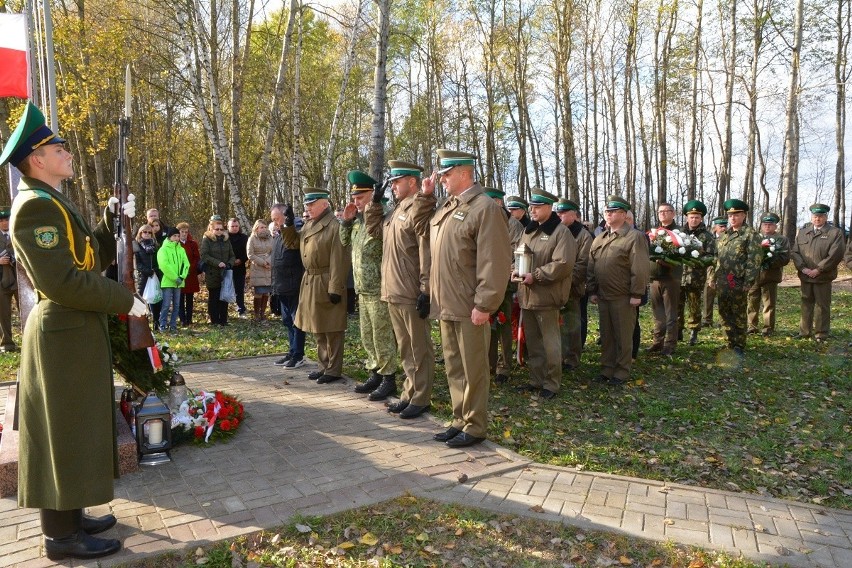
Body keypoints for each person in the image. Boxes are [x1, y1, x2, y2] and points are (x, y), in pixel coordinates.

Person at [2, 101, 146, 561]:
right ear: (37, 159)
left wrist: (108, 218)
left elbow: (89, 259)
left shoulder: (52, 202)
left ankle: (72, 514)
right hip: (61, 331)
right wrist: (124, 299)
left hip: (74, 331)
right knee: (61, 435)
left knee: (75, 429)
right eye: (56, 146)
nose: (66, 151)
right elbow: (61, 281)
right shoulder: (33, 209)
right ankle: (59, 539)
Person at [426, 149, 511, 447]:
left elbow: (494, 261)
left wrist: (484, 304)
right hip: (447, 302)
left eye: (447, 174)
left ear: (464, 173)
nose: (443, 180)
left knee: (474, 367)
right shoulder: (448, 207)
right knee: (454, 366)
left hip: (469, 304)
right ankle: (460, 418)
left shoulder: (484, 208)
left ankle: (475, 426)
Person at [365, 160, 437, 415]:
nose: (392, 186)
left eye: (397, 181)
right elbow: (374, 230)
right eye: (392, 182)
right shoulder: (396, 210)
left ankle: (421, 397)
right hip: (393, 288)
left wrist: (426, 289)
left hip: (410, 289)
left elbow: (426, 251)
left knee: (419, 347)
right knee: (405, 347)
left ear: (412, 181)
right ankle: (409, 392)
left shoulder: (419, 207)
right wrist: (374, 204)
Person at [341, 171, 400, 401]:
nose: (355, 201)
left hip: (379, 287)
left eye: (360, 197)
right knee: (367, 335)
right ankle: (374, 372)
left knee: (382, 335)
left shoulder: (383, 217)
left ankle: (389, 378)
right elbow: (344, 242)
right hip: (362, 287)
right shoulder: (357, 221)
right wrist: (346, 221)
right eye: (354, 197)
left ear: (371, 194)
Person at [281, 188, 350, 383]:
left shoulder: (335, 226)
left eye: (312, 204)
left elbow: (340, 259)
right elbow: (293, 243)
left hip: (327, 279)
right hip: (310, 280)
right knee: (318, 327)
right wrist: (287, 224)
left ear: (324, 204)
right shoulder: (310, 224)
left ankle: (333, 369)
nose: (308, 207)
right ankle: (323, 365)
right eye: (306, 204)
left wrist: (335, 287)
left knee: (332, 329)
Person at [512, 188, 575, 399]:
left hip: (547, 296)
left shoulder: (561, 232)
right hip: (527, 295)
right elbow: (520, 255)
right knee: (534, 342)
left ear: (549, 208)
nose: (533, 210)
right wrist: (516, 270)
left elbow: (562, 264)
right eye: (531, 206)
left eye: (537, 207)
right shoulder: (528, 231)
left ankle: (552, 384)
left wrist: (536, 275)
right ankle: (536, 380)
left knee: (550, 343)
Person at [587, 196, 649, 385]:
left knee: (623, 335)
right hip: (604, 294)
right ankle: (607, 369)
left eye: (613, 211)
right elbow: (592, 265)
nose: (608, 214)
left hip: (623, 296)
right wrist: (592, 290)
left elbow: (639, 267)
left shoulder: (633, 237)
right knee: (607, 335)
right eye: (607, 211)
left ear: (623, 214)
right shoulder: (600, 238)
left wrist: (637, 294)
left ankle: (621, 371)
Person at [708, 199, 763, 356]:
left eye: (736, 214)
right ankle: (729, 341)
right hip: (722, 280)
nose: (733, 218)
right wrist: (712, 277)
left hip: (738, 280)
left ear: (744, 215)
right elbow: (715, 258)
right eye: (730, 215)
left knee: (737, 312)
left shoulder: (750, 235)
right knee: (724, 312)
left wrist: (748, 281)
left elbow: (754, 260)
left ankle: (739, 344)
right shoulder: (724, 235)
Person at [789, 203, 846, 342]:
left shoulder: (834, 233)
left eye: (820, 216)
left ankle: (821, 334)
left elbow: (835, 254)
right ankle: (804, 332)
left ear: (826, 217)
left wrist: (819, 269)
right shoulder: (803, 232)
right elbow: (795, 252)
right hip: (805, 275)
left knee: (822, 305)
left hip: (823, 277)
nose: (817, 219)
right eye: (815, 216)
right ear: (811, 217)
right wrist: (803, 268)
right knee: (806, 303)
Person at [484, 187, 520, 385]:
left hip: (504, 284)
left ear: (498, 202)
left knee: (504, 325)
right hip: (485, 282)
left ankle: (504, 366)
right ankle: (489, 363)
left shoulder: (512, 223)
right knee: (488, 325)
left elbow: (517, 253)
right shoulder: (485, 220)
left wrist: (505, 272)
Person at [556, 198, 591, 371]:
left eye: (563, 212)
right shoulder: (557, 231)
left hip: (572, 287)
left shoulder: (583, 235)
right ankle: (560, 356)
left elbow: (583, 264)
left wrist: (565, 282)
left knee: (572, 324)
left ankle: (572, 359)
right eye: (558, 212)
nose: (559, 215)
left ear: (574, 215)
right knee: (559, 324)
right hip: (554, 287)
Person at [270, 204, 306, 368]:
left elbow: (295, 246)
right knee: (287, 320)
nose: (275, 223)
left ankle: (298, 354)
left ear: (285, 217)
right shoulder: (277, 234)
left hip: (294, 285)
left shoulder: (296, 230)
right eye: (273, 220)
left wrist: (289, 225)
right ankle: (292, 351)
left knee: (296, 321)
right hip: (281, 285)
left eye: (277, 219)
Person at [678, 200, 715, 345]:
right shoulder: (679, 234)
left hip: (696, 276)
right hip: (679, 275)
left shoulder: (707, 236)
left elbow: (712, 256)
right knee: (677, 305)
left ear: (701, 218)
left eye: (697, 217)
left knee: (694, 305)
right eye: (691, 216)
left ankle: (694, 331)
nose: (694, 219)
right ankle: (678, 330)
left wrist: (699, 258)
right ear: (687, 217)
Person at [746, 212, 790, 336]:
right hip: (754, 276)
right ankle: (752, 326)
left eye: (770, 224)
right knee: (752, 301)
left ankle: (768, 328)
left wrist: (769, 261)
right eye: (765, 224)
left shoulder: (781, 239)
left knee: (769, 303)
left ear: (775, 226)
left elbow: (785, 258)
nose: (767, 227)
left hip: (770, 276)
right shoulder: (755, 238)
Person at [648, 201, 682, 356]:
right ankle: (657, 342)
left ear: (673, 213)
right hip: (655, 278)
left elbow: (682, 255)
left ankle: (670, 344)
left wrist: (667, 262)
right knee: (658, 313)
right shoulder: (654, 232)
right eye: (660, 211)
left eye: (666, 211)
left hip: (671, 278)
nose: (662, 213)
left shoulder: (679, 233)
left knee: (670, 313)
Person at [200, 215, 236, 326]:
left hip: (225, 273)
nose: (219, 231)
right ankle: (214, 320)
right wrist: (217, 263)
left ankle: (223, 320)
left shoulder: (226, 240)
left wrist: (229, 264)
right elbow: (204, 255)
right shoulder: (207, 240)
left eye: (221, 229)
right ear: (211, 229)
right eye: (217, 229)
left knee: (224, 297)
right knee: (214, 297)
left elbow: (232, 255)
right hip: (212, 272)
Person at [157, 227, 190, 332]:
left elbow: (186, 264)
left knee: (177, 305)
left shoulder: (181, 249)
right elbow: (164, 265)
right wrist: (175, 277)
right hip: (168, 282)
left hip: (179, 282)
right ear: (169, 237)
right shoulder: (163, 249)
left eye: (178, 236)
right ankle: (162, 324)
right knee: (166, 304)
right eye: (174, 236)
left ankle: (173, 325)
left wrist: (182, 276)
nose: (176, 238)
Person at [133, 223, 162, 329]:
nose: (147, 234)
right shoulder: (137, 246)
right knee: (141, 300)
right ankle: (142, 323)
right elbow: (138, 264)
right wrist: (148, 271)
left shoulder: (156, 245)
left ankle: (156, 322)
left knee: (156, 300)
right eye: (144, 232)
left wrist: (156, 270)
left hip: (155, 275)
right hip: (143, 277)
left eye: (149, 232)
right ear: (140, 233)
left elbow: (159, 260)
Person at [702, 216, 727, 327]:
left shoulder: (729, 239)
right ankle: (707, 320)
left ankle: (723, 320)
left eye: (725, 226)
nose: (723, 228)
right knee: (708, 295)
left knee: (723, 296)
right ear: (715, 227)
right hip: (711, 270)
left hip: (725, 271)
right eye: (721, 226)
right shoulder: (710, 239)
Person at [247, 219, 274, 322]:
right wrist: (263, 262)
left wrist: (268, 261)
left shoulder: (270, 238)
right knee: (259, 292)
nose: (263, 229)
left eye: (265, 227)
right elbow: (250, 254)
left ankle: (263, 313)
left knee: (266, 293)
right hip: (258, 268)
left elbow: (274, 251)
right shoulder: (252, 239)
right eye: (261, 227)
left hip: (269, 268)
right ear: (256, 228)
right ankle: (256, 314)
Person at [0, 208, 19, 352]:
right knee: (3, 314)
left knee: (25, 312)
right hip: (2, 280)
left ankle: (30, 340)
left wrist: (15, 259)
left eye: (6, 220)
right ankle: (7, 343)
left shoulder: (18, 234)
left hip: (20, 279)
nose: (4, 223)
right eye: (1, 221)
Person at [176, 222, 201, 326]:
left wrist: (191, 267)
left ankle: (189, 318)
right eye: (182, 232)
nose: (184, 234)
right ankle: (182, 319)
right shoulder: (175, 243)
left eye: (186, 232)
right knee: (180, 297)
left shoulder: (192, 243)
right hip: (179, 273)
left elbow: (196, 257)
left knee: (190, 297)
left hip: (190, 273)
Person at [227, 217, 249, 317]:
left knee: (239, 290)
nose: (235, 228)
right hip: (227, 267)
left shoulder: (244, 238)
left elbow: (248, 252)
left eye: (236, 226)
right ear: (228, 227)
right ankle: (224, 310)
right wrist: (231, 261)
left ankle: (241, 309)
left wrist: (241, 260)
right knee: (226, 288)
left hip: (240, 267)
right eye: (232, 226)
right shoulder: (224, 237)